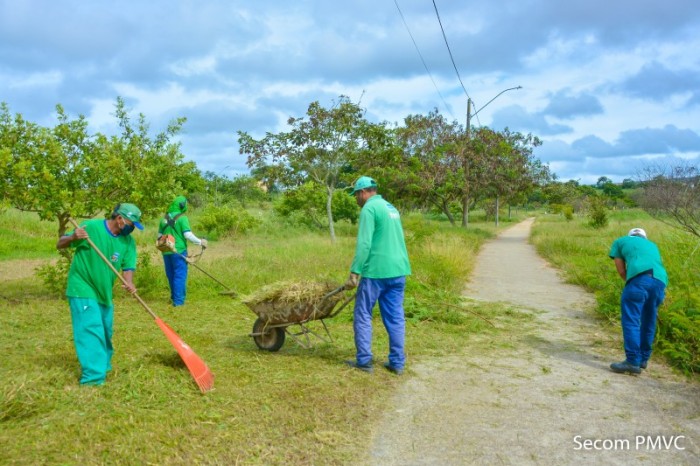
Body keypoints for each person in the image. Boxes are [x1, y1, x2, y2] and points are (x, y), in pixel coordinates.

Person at [57, 203, 144, 386]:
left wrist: (129, 282)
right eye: (131, 223)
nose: (132, 228)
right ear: (119, 219)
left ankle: (103, 366)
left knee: (105, 330)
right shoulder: (92, 227)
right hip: (82, 287)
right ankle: (93, 378)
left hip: (104, 292)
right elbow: (60, 244)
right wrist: (73, 236)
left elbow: (128, 266)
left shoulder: (128, 242)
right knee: (91, 329)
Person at [344, 176, 412, 375]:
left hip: (377, 272)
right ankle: (397, 363)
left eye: (356, 195)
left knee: (363, 313)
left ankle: (364, 361)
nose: (356, 200)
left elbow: (364, 244)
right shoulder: (391, 207)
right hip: (399, 269)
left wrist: (355, 271)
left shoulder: (369, 209)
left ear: (363, 192)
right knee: (395, 317)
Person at [608, 227, 668, 375]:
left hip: (639, 280)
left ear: (630, 236)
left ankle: (632, 361)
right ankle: (643, 360)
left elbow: (621, 270)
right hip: (660, 282)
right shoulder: (652, 245)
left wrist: (631, 284)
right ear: (644, 237)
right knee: (649, 320)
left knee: (631, 320)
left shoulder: (620, 241)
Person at [157, 195, 207, 306]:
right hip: (178, 251)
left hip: (166, 251)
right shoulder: (182, 218)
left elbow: (159, 236)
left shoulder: (163, 219)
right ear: (182, 205)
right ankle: (178, 302)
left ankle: (173, 297)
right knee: (179, 275)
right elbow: (187, 234)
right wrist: (200, 242)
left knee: (171, 274)